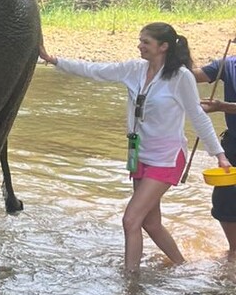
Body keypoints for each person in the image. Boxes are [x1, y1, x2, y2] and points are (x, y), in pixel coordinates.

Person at [38, 22, 231, 273]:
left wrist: (220, 155)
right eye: (140, 41)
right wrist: (54, 60)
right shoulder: (133, 69)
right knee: (150, 223)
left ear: (163, 47)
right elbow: (95, 70)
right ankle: (184, 267)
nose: (139, 46)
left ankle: (130, 283)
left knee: (131, 219)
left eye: (145, 42)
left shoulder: (180, 77)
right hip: (139, 154)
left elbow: (198, 116)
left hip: (167, 157)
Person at [193, 53, 236, 259]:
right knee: (225, 199)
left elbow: (221, 106)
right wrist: (176, 59)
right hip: (234, 143)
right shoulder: (228, 64)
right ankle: (234, 250)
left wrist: (221, 107)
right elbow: (191, 76)